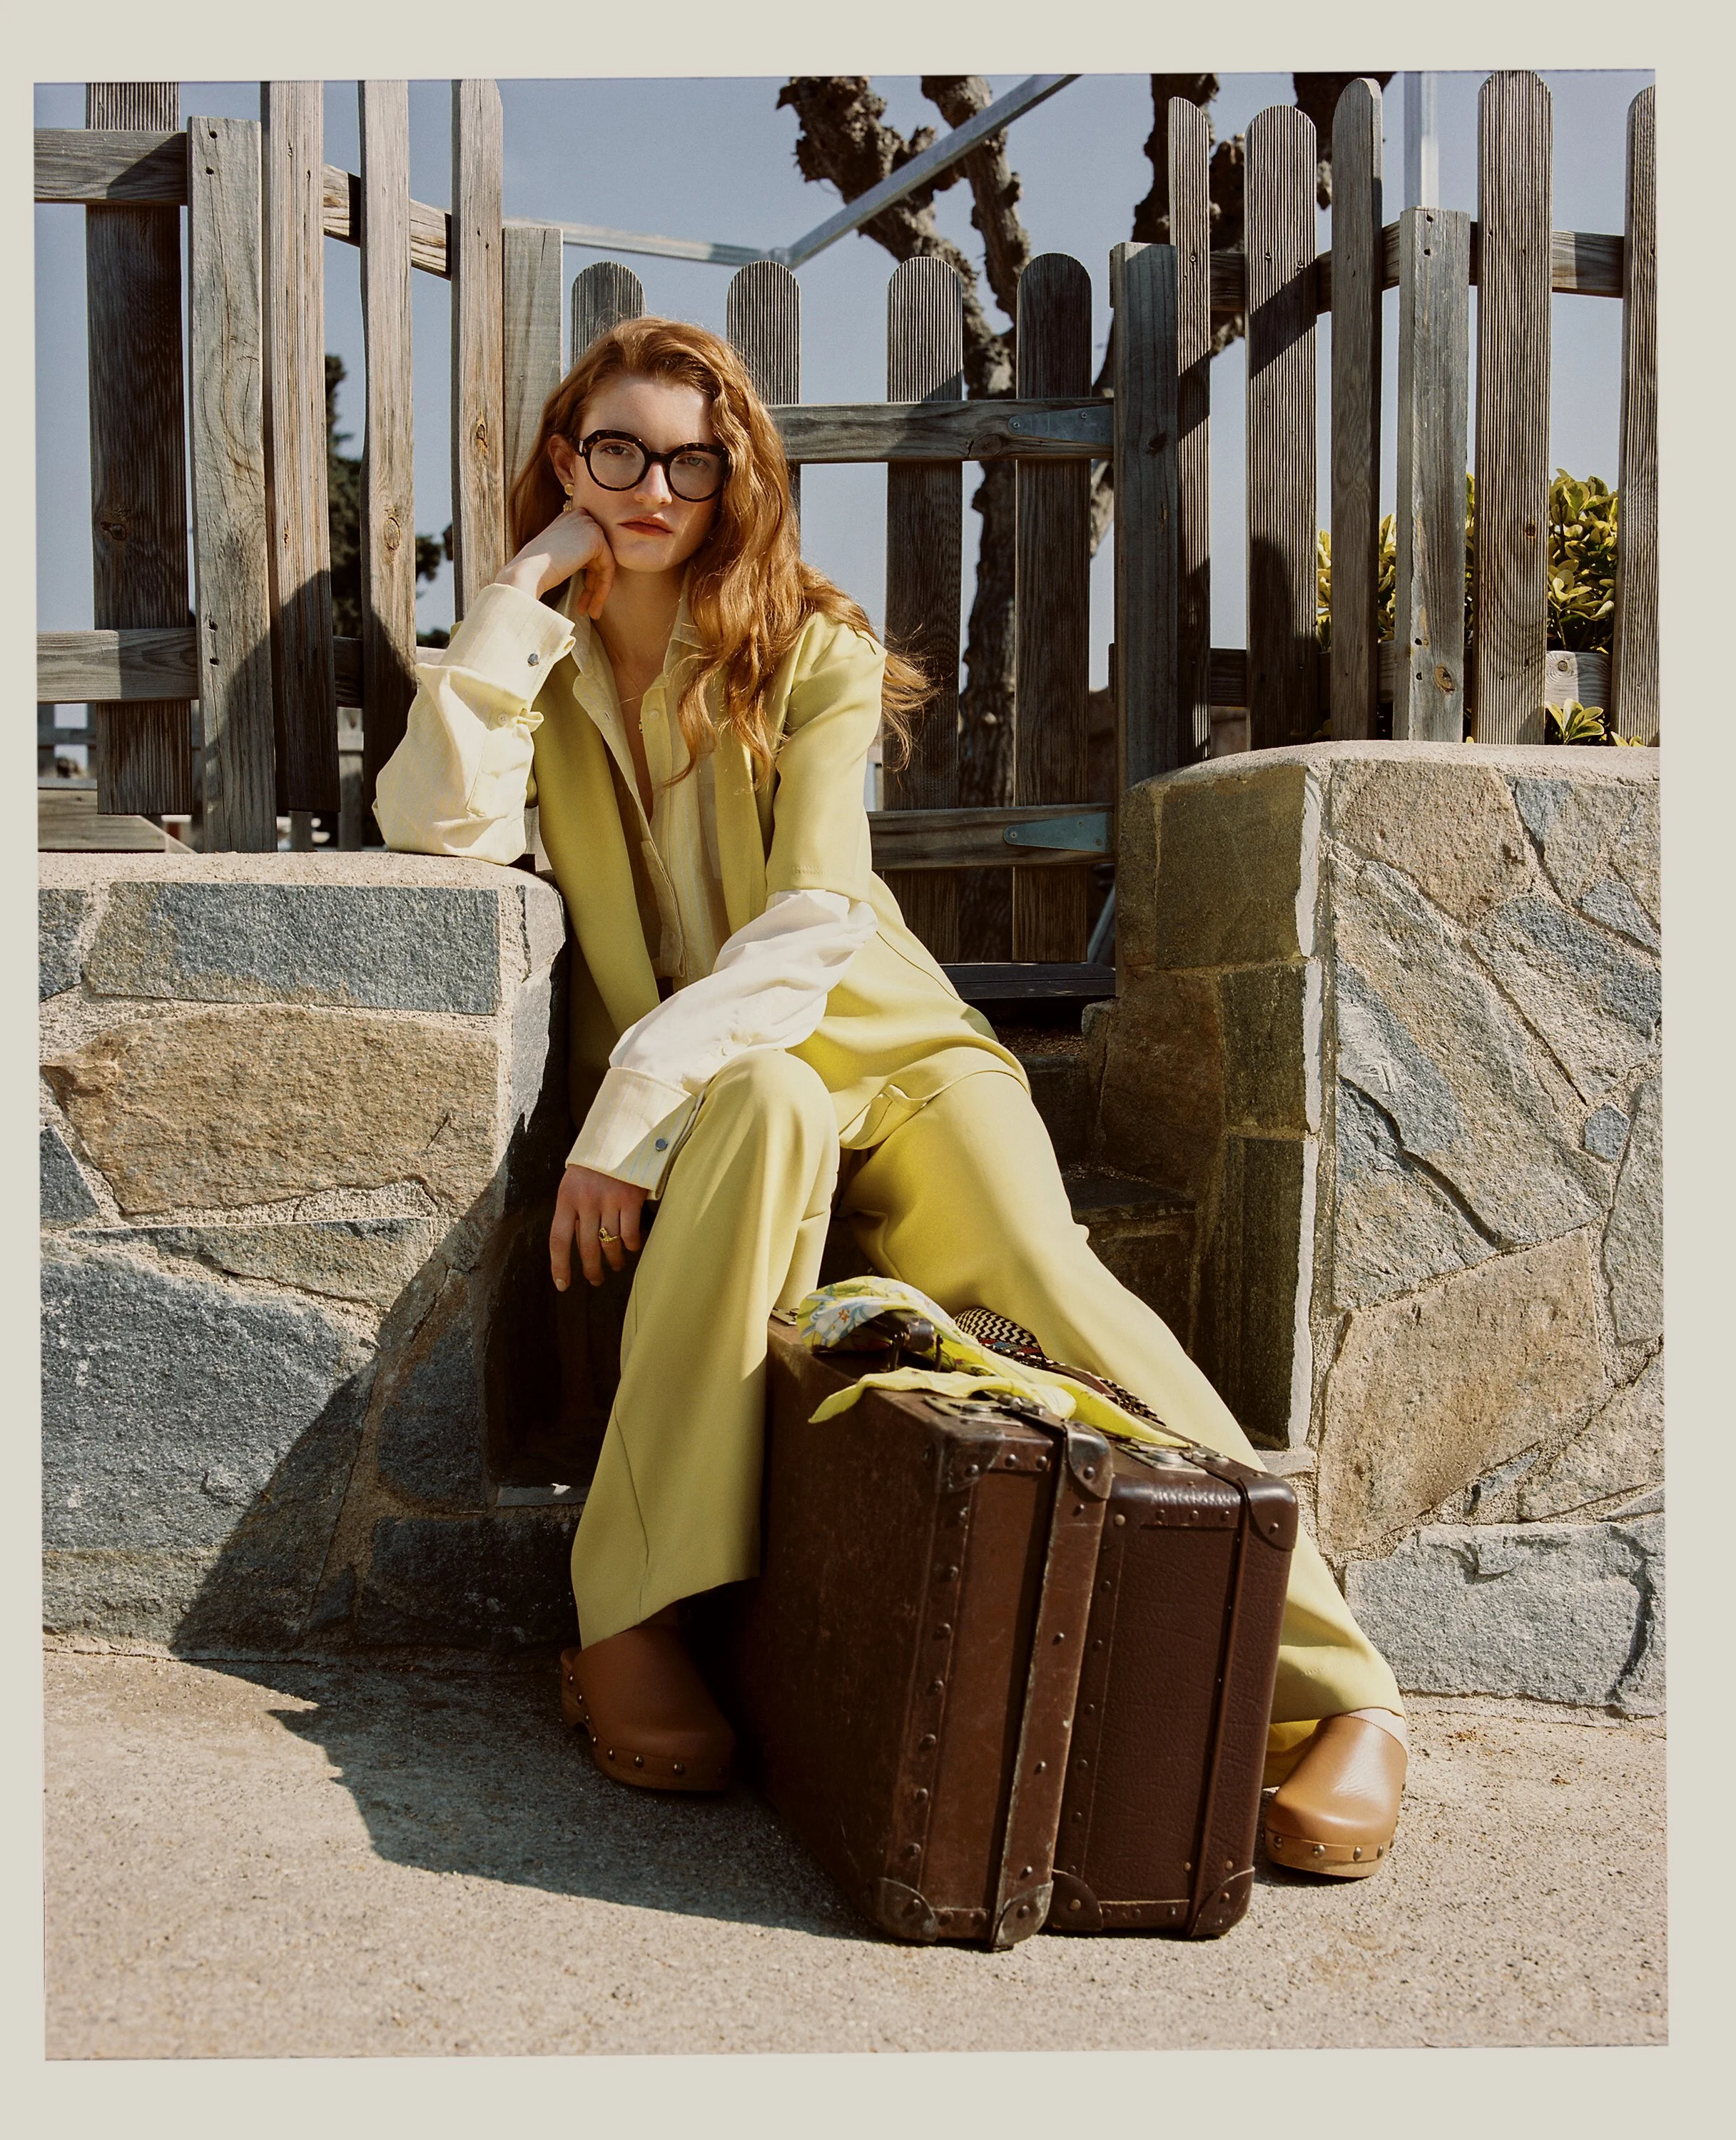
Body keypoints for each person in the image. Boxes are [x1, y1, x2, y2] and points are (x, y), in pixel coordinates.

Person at [374, 316, 1408, 1879]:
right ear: (563, 456)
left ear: (738, 481)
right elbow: (439, 824)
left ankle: (1338, 1686)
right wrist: (519, 594)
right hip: (738, 1090)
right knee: (771, 1107)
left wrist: (626, 1105)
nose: (653, 487)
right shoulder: (554, 657)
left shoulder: (813, 650)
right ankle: (631, 1623)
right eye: (616, 452)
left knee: (1043, 1274)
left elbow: (811, 920)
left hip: (893, 1046)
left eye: (691, 461)